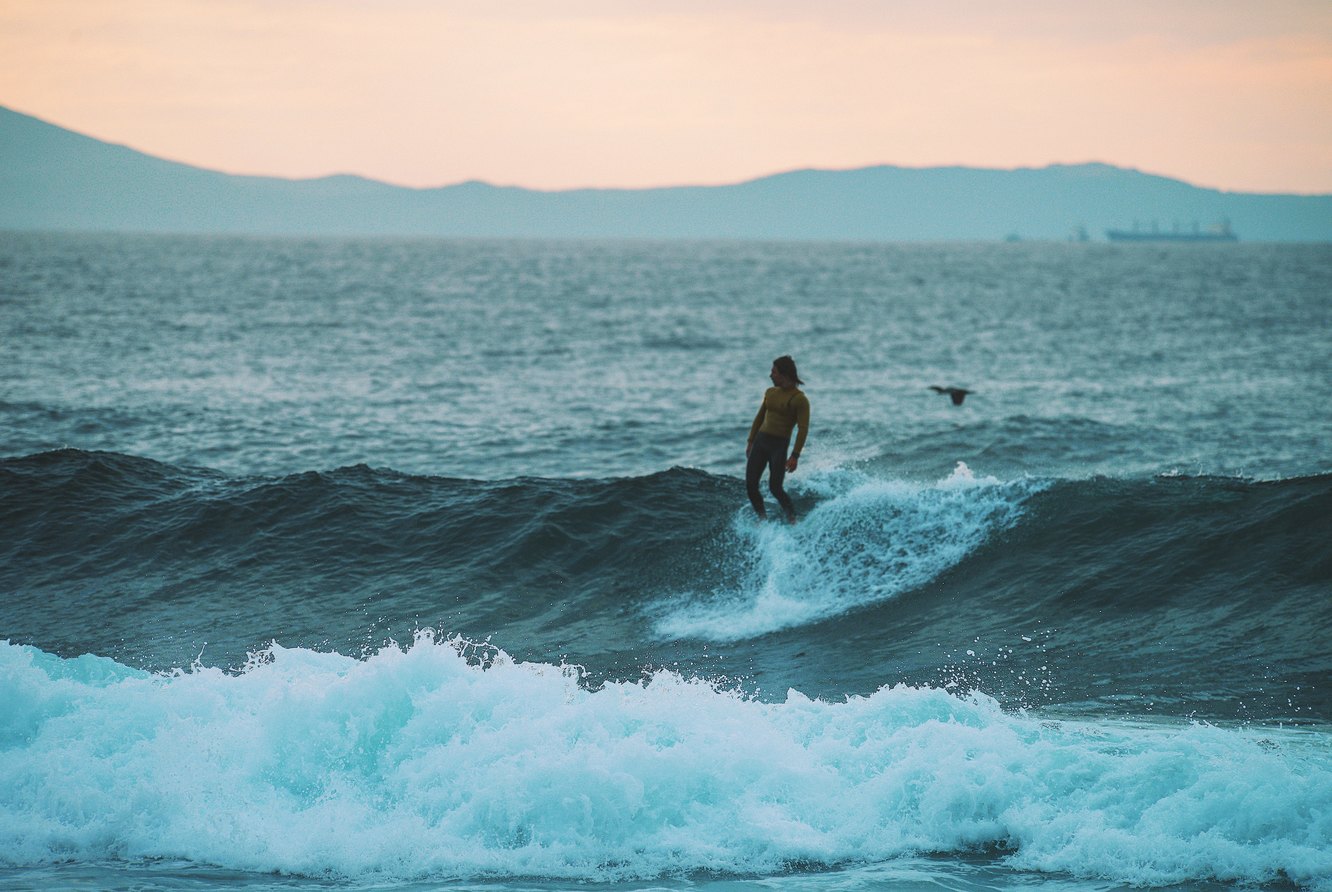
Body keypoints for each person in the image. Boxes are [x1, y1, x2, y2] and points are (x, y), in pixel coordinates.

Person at [746, 355, 809, 522]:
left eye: (773, 372)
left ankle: (791, 517)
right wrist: (750, 441)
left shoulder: (799, 399)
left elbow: (803, 429)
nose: (770, 375)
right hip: (761, 442)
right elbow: (759, 417)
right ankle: (762, 518)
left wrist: (795, 455)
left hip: (779, 446)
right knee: (751, 485)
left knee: (775, 487)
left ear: (785, 375)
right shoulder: (770, 392)